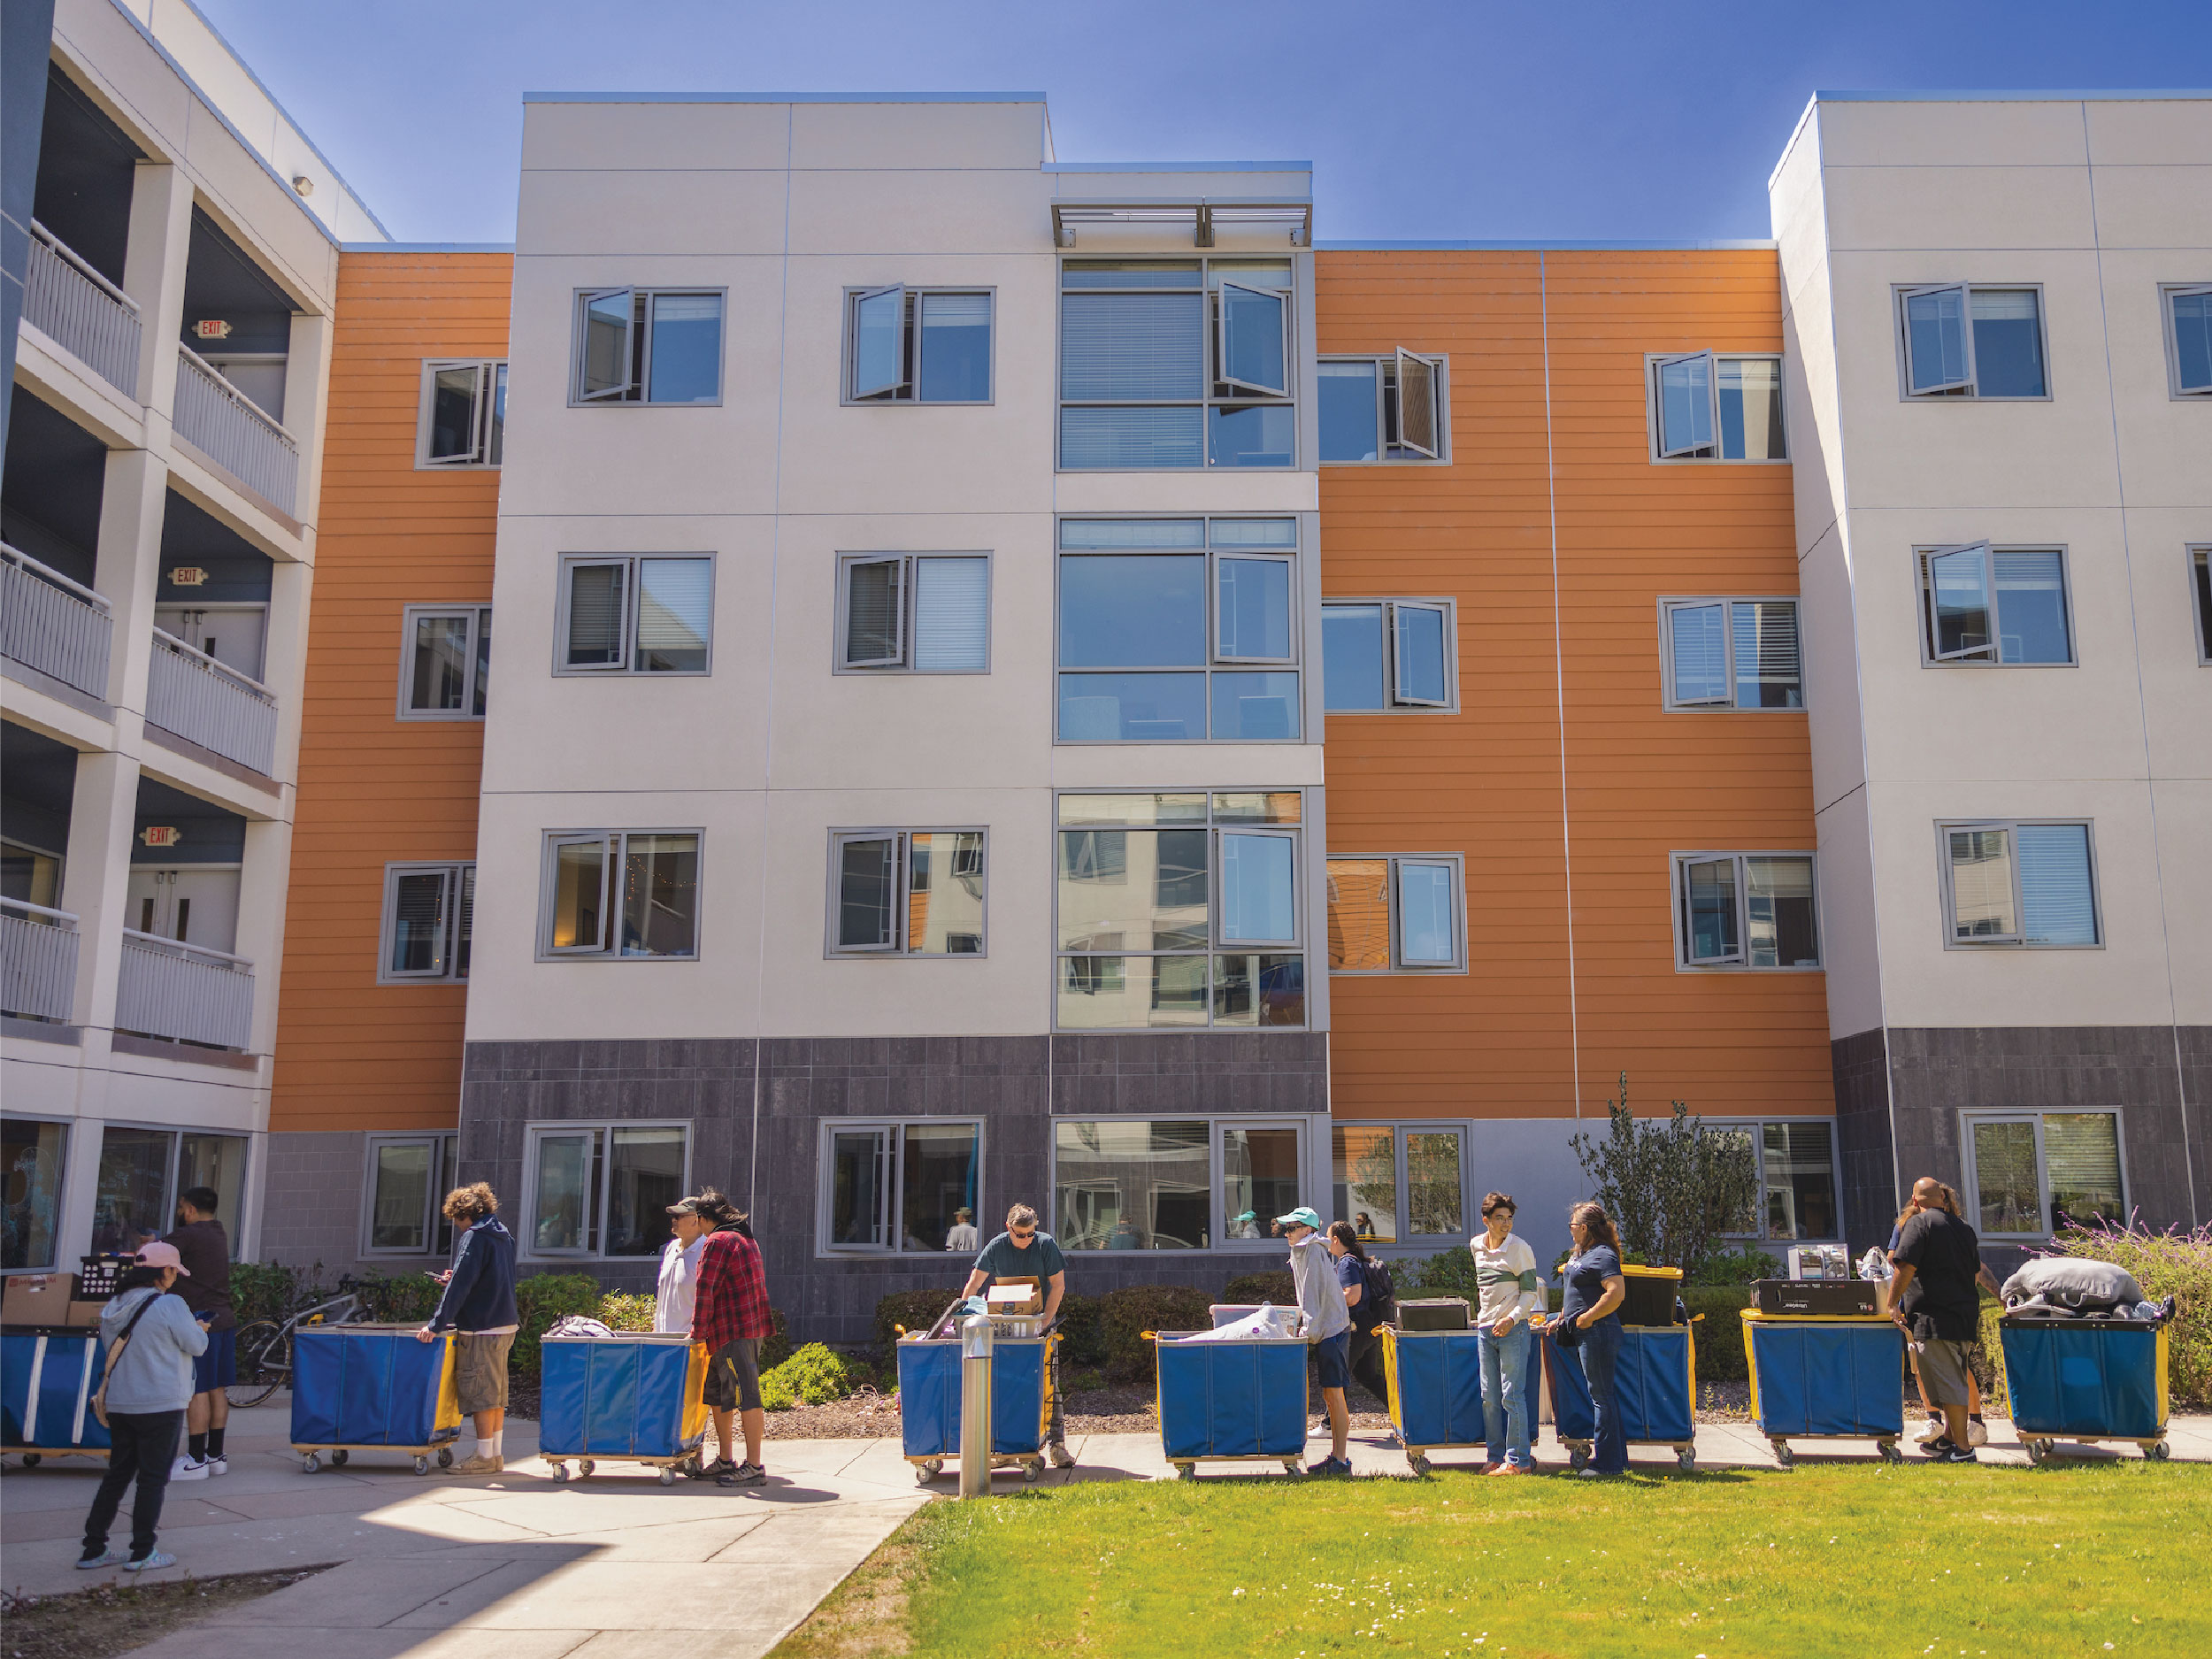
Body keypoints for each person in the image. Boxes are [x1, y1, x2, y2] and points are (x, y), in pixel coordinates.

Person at [78, 1242, 206, 1573]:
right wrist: (200, 1329)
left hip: (121, 1402)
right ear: (165, 1271)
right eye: (175, 1271)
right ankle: (142, 1553)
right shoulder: (171, 1304)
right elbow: (196, 1345)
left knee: (117, 1476)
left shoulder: (114, 1305)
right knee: (152, 1480)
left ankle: (93, 1549)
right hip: (161, 1403)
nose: (176, 1277)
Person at [959, 1203, 1075, 1468]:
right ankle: (1004, 1446)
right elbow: (975, 1283)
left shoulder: (1046, 1245)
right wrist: (966, 1317)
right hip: (1004, 1327)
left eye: (1030, 1234)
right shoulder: (997, 1246)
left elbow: (1058, 1285)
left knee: (1048, 1383)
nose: (1025, 1239)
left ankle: (1057, 1446)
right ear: (1008, 1227)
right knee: (1002, 1383)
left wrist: (1045, 1322)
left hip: (1040, 1325)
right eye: (1019, 1234)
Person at [1889, 1176, 1994, 1463]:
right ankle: (1949, 1440)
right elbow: (1975, 1271)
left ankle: (1962, 1449)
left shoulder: (1918, 1225)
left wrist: (1892, 1303)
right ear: (1943, 1199)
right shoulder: (1963, 1229)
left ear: (1915, 1201)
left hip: (1934, 1318)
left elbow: (1905, 1266)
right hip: (1963, 1317)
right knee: (1953, 1379)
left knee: (1948, 1384)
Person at [416, 1182, 518, 1476]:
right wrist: (457, 1276)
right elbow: (487, 1278)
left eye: (457, 1220)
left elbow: (461, 1286)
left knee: (480, 1393)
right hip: (505, 1323)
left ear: (463, 1214)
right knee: (496, 1393)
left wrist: (435, 1324)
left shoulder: (474, 1236)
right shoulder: (502, 1234)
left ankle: (484, 1458)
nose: (458, 1227)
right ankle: (494, 1454)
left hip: (480, 1326)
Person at [691, 1188, 773, 1486]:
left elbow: (705, 1291)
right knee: (720, 1394)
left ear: (702, 1218)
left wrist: (696, 1334)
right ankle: (726, 1459)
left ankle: (753, 1466)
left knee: (748, 1396)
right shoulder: (745, 1238)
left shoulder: (717, 1241)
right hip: (746, 1329)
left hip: (734, 1332)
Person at [1540, 1202, 1626, 1478]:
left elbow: (1616, 1293)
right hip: (1584, 1330)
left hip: (1598, 1332)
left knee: (1602, 1397)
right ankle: (1617, 1461)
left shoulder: (1603, 1254)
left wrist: (1588, 1317)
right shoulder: (1582, 1252)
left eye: (1573, 1226)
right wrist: (1562, 1317)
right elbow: (1576, 1289)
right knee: (1601, 1396)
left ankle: (1607, 1465)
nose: (1571, 1230)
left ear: (1585, 1228)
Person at [162, 1187, 234, 1480]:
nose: (180, 1213)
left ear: (190, 1209)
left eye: (181, 1208)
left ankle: (195, 1460)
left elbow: (151, 1257)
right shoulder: (218, 1232)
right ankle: (216, 1455)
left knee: (197, 1389)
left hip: (198, 1322)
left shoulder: (187, 1235)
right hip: (224, 1319)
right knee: (217, 1388)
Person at [1471, 1192, 1543, 1475]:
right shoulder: (1476, 1245)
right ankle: (1494, 1456)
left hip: (1514, 1330)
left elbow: (1529, 1294)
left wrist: (1511, 1320)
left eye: (1509, 1218)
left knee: (1511, 1396)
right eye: (1499, 1218)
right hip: (1485, 1329)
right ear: (1486, 1220)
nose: (1506, 1224)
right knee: (1489, 1397)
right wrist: (1487, 1320)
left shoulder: (1520, 1249)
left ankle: (1518, 1461)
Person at [1278, 1206, 1354, 1476]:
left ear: (1307, 1230)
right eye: (1286, 1228)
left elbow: (1313, 1296)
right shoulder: (1305, 1249)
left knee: (1335, 1394)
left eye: (1292, 1228)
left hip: (1331, 1328)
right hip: (1329, 1327)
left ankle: (1341, 1461)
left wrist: (1306, 1331)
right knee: (1330, 1395)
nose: (1287, 1233)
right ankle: (1338, 1457)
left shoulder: (1310, 1250)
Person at [1325, 1221, 1393, 1409]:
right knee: (1367, 1375)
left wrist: (1326, 1300)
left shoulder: (1346, 1262)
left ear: (1336, 1240)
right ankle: (1407, 1410)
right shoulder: (1356, 1259)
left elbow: (1352, 1296)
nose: (1327, 1242)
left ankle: (1331, 1424)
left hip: (1357, 1326)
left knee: (1338, 1374)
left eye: (1328, 1238)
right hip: (1369, 1325)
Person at [655, 1197, 710, 1334]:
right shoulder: (671, 1248)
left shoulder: (706, 1250)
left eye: (679, 1216)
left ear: (696, 1220)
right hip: (661, 1341)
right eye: (673, 1216)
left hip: (689, 1342)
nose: (674, 1220)